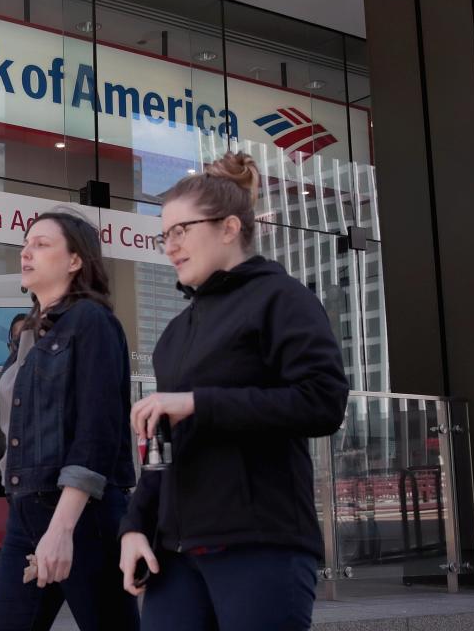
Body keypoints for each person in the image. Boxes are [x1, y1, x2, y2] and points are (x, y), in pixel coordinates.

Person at [118, 152, 349, 631]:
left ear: (228, 227)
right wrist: (135, 525)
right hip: (175, 554)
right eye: (165, 234)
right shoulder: (175, 334)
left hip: (260, 545)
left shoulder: (283, 299)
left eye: (182, 230)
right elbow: (164, 449)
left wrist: (199, 403)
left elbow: (323, 402)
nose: (170, 246)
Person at [0, 211, 139, 631]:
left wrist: (62, 527)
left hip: (83, 514)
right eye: (26, 244)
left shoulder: (92, 322)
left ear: (76, 260)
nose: (27, 252)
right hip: (27, 510)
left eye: (42, 244)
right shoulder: (30, 333)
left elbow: (96, 432)